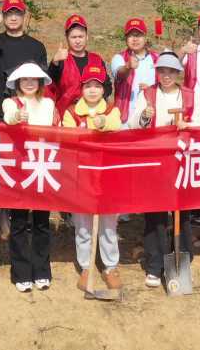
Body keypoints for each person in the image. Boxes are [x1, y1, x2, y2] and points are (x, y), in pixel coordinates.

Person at [132, 52, 193, 288]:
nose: (166, 76)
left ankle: (182, 259)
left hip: (182, 160)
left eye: (171, 72)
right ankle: (155, 265)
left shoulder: (189, 95)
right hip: (155, 160)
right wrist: (144, 117)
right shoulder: (147, 94)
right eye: (162, 71)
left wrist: (188, 126)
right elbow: (133, 124)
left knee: (182, 212)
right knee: (155, 213)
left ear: (178, 74)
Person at [61, 64, 122, 294]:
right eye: (88, 86)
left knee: (108, 224)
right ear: (82, 89)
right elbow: (68, 138)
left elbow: (117, 126)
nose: (93, 90)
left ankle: (110, 266)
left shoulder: (112, 110)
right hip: (81, 176)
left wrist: (103, 124)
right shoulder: (72, 112)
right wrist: (88, 127)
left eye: (97, 85)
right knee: (83, 225)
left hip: (107, 175)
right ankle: (86, 266)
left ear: (103, 88)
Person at [2, 62, 56, 293]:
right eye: (25, 80)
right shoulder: (11, 102)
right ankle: (21, 272)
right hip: (20, 167)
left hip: (43, 165)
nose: (30, 83)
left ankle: (42, 270)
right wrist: (17, 116)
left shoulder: (48, 103)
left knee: (42, 222)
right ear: (17, 83)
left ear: (40, 82)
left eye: (34, 79)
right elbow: (9, 117)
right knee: (19, 222)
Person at [0, 0, 47, 120]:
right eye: (9, 14)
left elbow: (42, 81)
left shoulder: (37, 46)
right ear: (3, 16)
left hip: (28, 114)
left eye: (17, 13)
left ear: (24, 16)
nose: (13, 18)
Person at [47, 14, 107, 115]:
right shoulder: (60, 59)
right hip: (66, 114)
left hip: (92, 115)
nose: (78, 41)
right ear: (67, 38)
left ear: (87, 37)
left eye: (81, 36)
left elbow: (107, 85)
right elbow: (49, 86)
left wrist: (95, 100)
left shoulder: (97, 59)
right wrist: (54, 62)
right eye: (73, 37)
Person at [110, 17, 157, 127]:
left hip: (150, 117)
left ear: (145, 38)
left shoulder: (156, 58)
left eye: (138, 35)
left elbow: (169, 75)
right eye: (131, 35)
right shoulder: (119, 58)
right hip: (125, 120)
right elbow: (119, 73)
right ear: (126, 39)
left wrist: (150, 90)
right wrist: (128, 66)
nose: (135, 39)